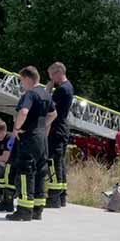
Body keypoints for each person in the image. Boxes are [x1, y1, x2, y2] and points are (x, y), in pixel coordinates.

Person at [7, 66, 56, 222]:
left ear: (28, 79)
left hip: (29, 138)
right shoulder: (46, 94)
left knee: (25, 172)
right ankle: (37, 210)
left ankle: (24, 210)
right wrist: (42, 128)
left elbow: (23, 112)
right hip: (42, 139)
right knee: (41, 173)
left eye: (21, 80)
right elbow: (53, 114)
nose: (21, 84)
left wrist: (16, 128)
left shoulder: (30, 94)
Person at [46, 62, 74, 208]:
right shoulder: (69, 87)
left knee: (53, 163)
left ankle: (54, 198)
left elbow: (49, 107)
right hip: (63, 129)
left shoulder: (61, 90)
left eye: (51, 75)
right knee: (60, 163)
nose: (51, 79)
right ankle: (61, 196)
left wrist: (48, 90)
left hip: (56, 130)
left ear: (58, 73)